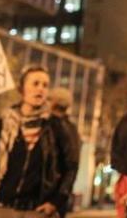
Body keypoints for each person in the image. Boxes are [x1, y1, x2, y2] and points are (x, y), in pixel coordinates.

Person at [0, 65, 79, 217]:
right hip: (1, 210)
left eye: (45, 85)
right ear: (22, 89)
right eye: (35, 84)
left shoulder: (56, 126)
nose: (40, 89)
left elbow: (71, 167)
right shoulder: (5, 122)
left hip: (36, 211)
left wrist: (56, 202)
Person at [47, 88, 80, 218]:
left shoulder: (52, 126)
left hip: (50, 198)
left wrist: (56, 201)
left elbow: (71, 165)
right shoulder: (71, 128)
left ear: (53, 103)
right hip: (58, 198)